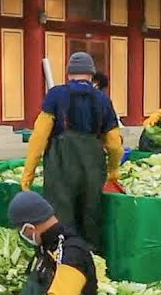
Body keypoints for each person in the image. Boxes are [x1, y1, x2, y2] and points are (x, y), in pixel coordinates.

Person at [21, 51, 123, 252]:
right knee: (90, 217)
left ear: (69, 74)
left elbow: (39, 137)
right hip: (93, 168)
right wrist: (113, 171)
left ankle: (62, 262)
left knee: (61, 218)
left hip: (61, 167)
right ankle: (91, 263)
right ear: (92, 74)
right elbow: (114, 145)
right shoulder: (103, 100)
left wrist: (28, 174)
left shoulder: (56, 95)